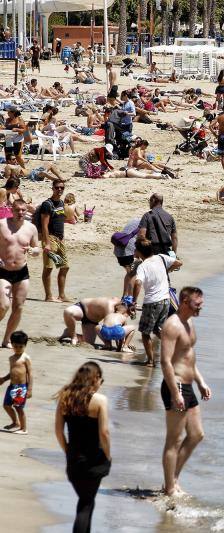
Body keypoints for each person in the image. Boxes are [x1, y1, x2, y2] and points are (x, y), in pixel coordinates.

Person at [160, 286, 210, 497]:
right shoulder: (172, 326)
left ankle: (174, 479)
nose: (201, 307)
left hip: (188, 385)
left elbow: (188, 355)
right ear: (184, 301)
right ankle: (170, 488)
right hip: (176, 385)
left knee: (197, 435)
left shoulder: (189, 322)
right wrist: (175, 392)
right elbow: (166, 362)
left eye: (201, 303)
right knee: (174, 440)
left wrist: (201, 381)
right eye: (197, 304)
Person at [54, 362, 111, 533]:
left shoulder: (65, 397)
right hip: (94, 459)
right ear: (95, 379)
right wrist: (108, 455)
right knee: (86, 504)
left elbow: (58, 431)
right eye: (101, 379)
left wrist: (67, 451)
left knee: (86, 501)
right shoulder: (100, 401)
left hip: (73, 460)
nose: (101, 383)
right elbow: (104, 433)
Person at [132, 238, 182, 367]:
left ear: (139, 252)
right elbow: (178, 263)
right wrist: (167, 270)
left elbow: (137, 283)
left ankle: (150, 361)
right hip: (166, 300)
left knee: (145, 333)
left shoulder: (142, 266)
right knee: (157, 329)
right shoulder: (161, 258)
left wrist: (133, 301)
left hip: (152, 302)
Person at [0, 199, 40, 347]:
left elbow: (37, 249)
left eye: (23, 210)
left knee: (19, 307)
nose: (21, 213)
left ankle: (7, 339)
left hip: (22, 272)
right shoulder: (2, 224)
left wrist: (34, 251)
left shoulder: (31, 228)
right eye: (18, 210)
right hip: (3, 271)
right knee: (3, 305)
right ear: (12, 209)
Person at [40, 179, 69, 303]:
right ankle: (48, 296)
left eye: (62, 188)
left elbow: (61, 221)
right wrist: (46, 243)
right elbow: (44, 225)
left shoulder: (61, 203)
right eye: (57, 187)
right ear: (52, 188)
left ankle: (61, 295)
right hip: (50, 239)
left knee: (65, 266)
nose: (59, 190)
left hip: (60, 239)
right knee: (49, 268)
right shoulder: (47, 204)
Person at [0, 330, 31, 434]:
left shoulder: (25, 358)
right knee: (6, 405)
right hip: (11, 386)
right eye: (15, 346)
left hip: (21, 387)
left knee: (19, 408)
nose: (17, 349)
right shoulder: (11, 358)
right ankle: (15, 422)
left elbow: (30, 374)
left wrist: (29, 389)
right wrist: (4, 379)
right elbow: (12, 373)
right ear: (12, 344)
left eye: (20, 347)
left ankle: (24, 428)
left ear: (25, 346)